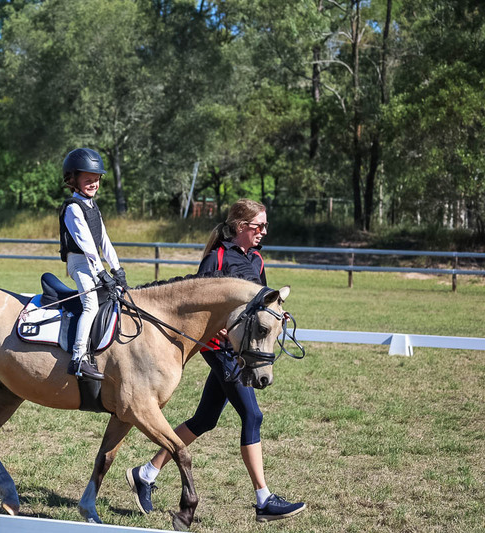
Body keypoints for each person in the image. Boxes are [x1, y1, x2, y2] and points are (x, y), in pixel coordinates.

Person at [125, 198, 305, 522]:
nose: (264, 231)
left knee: (205, 419)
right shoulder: (217, 257)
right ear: (240, 227)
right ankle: (263, 499)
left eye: (265, 226)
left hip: (241, 349)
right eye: (259, 226)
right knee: (253, 415)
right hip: (219, 350)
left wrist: (277, 314)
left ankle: (146, 474)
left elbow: (261, 304)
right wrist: (218, 334)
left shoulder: (257, 261)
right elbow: (196, 301)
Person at [59, 148, 128, 381]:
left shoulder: (91, 205)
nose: (94, 184)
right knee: (90, 305)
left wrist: (117, 268)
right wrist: (101, 273)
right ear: (73, 180)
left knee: (115, 297)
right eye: (88, 180)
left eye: (96, 179)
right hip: (79, 264)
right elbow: (87, 245)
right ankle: (78, 358)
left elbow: (104, 240)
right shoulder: (73, 208)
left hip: (92, 262)